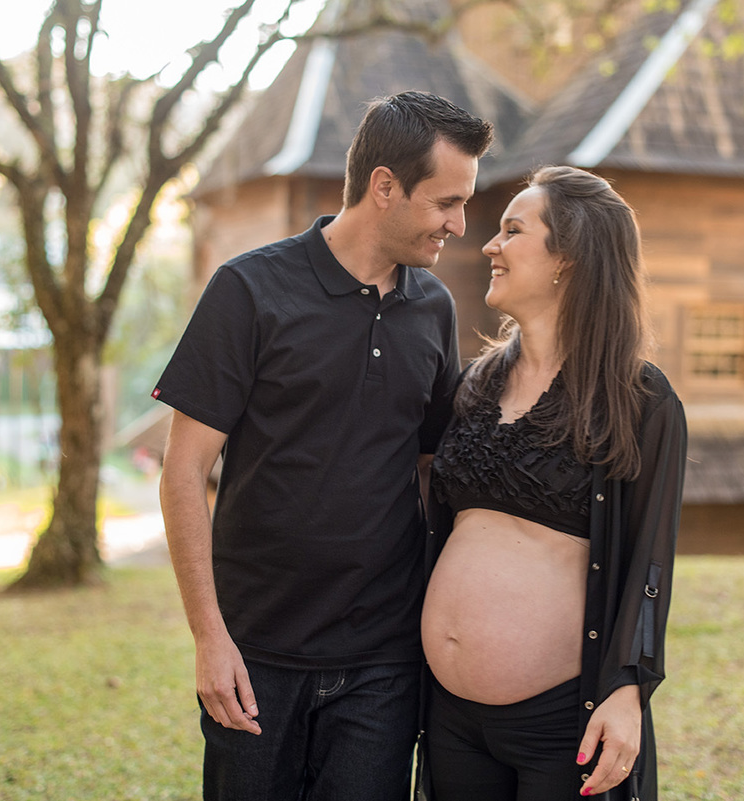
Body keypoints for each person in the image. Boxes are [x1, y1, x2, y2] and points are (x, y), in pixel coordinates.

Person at [153, 91, 494, 801]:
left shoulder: (434, 308)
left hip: (383, 663)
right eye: (446, 202)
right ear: (384, 186)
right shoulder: (248, 289)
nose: (460, 225)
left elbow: (431, 470)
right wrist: (210, 638)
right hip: (255, 655)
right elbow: (183, 472)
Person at [420, 166, 687, 800]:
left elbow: (650, 560)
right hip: (450, 719)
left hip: (561, 724)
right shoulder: (473, 385)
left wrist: (629, 688)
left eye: (513, 231)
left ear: (568, 256)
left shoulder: (639, 399)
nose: (490, 245)